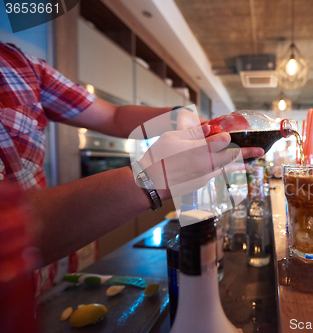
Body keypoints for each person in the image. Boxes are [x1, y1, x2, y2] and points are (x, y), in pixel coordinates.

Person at [0, 42, 264, 271]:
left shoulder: (23, 66)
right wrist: (152, 179)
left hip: (41, 277)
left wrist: (177, 116)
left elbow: (113, 116)